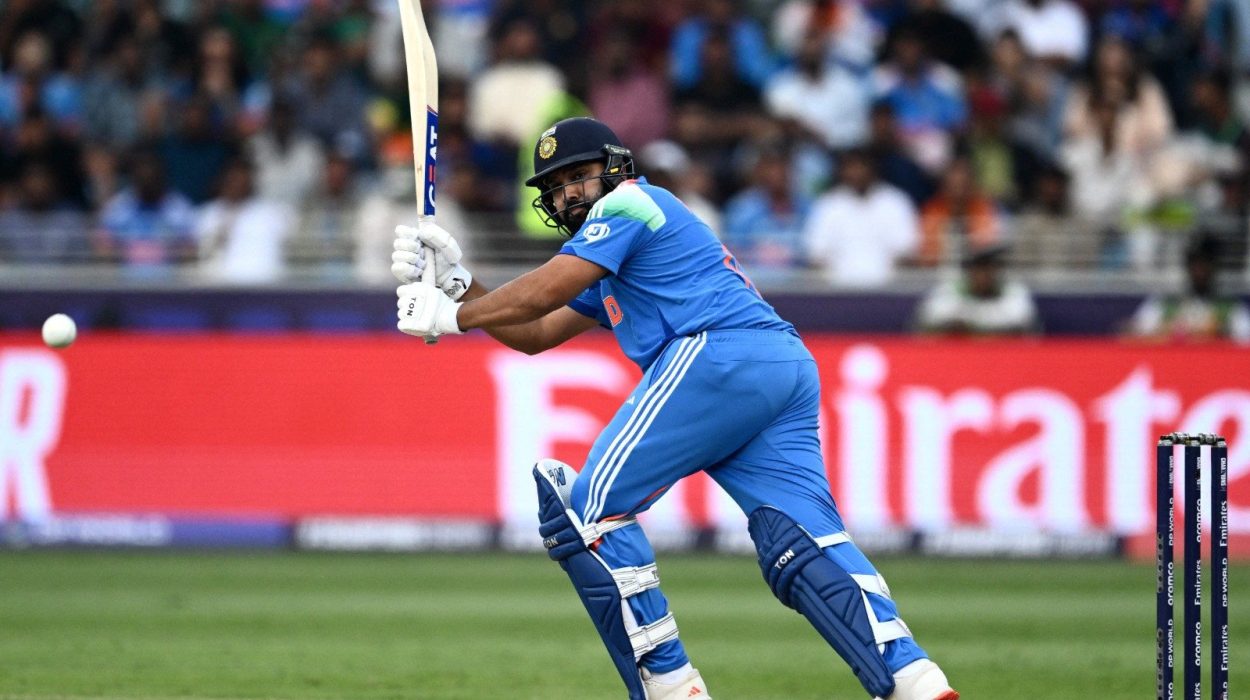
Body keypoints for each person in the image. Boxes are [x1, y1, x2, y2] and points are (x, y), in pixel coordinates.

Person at [390, 117, 958, 700]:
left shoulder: (630, 205)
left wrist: (449, 317)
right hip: (780, 367)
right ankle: (912, 679)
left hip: (718, 353)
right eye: (555, 187)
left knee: (588, 513)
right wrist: (459, 285)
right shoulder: (612, 245)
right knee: (802, 543)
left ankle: (670, 685)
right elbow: (535, 331)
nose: (567, 195)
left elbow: (544, 290)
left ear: (614, 170)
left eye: (578, 177)